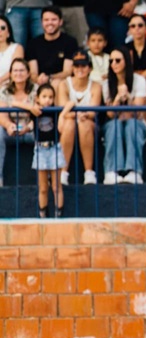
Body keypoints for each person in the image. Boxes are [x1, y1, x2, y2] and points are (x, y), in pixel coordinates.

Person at [102, 48, 146, 185]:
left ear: (126, 61)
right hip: (114, 123)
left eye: (118, 60)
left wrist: (128, 97)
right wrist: (117, 99)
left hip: (137, 123)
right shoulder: (106, 84)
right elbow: (110, 114)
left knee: (131, 125)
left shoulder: (139, 80)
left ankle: (134, 171)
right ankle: (111, 171)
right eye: (111, 61)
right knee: (115, 125)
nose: (114, 64)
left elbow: (138, 113)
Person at [56, 50, 101, 186]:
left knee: (84, 124)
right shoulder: (63, 84)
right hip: (67, 123)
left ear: (90, 68)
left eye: (83, 65)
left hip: (88, 123)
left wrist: (82, 115)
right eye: (76, 66)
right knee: (70, 123)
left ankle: (89, 172)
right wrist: (79, 114)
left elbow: (93, 112)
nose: (80, 69)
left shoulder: (96, 86)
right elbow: (63, 108)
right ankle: (63, 173)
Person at [0, 58, 38, 187]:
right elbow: (2, 113)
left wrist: (27, 128)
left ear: (28, 73)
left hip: (31, 130)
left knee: (45, 132)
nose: (18, 73)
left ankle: (46, 178)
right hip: (10, 131)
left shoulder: (36, 90)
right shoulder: (4, 90)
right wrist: (8, 125)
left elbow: (40, 114)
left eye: (22, 70)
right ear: (10, 74)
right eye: (15, 70)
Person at [30, 83, 66, 218]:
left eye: (51, 97)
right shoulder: (35, 112)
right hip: (40, 149)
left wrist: (63, 114)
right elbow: (15, 102)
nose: (48, 100)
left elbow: (70, 103)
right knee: (43, 187)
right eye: (44, 96)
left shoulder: (55, 111)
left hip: (54, 148)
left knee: (56, 186)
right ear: (38, 98)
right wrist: (32, 107)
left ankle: (59, 215)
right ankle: (43, 215)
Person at [26, 6, 79, 90]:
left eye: (54, 20)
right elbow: (33, 73)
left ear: (60, 22)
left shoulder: (70, 42)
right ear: (41, 22)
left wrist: (50, 77)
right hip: (39, 83)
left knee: (56, 83)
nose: (50, 23)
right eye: (46, 20)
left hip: (61, 83)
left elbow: (67, 72)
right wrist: (38, 79)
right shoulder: (33, 43)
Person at [0, 15, 23, 85]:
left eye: (3, 28)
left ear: (8, 33)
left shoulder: (17, 48)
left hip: (9, 86)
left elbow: (16, 69)